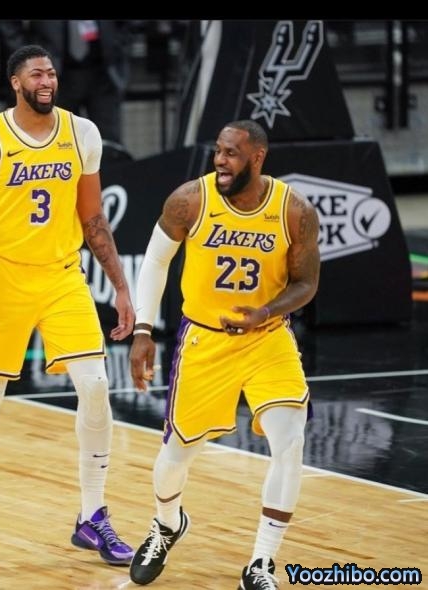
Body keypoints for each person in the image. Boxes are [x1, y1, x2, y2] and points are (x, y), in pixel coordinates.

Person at [0, 44, 136, 567]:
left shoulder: (83, 133)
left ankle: (92, 515)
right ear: (15, 82)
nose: (47, 81)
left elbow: (93, 219)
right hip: (1, 277)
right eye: (36, 74)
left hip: (62, 276)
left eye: (52, 73)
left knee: (96, 388)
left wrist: (121, 287)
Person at [128, 120, 320, 589]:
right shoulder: (190, 200)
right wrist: (143, 329)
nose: (220, 160)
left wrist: (266, 312)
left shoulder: (294, 211)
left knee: (290, 443)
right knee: (175, 456)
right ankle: (166, 524)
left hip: (267, 338)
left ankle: (261, 563)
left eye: (231, 153)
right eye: (218, 151)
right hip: (205, 340)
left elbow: (306, 283)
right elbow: (156, 261)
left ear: (257, 157)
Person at [0, 21, 132, 157]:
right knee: (57, 148)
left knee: (108, 148)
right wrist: (27, 57)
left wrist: (119, 43)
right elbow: (9, 25)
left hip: (103, 72)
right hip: (53, 74)